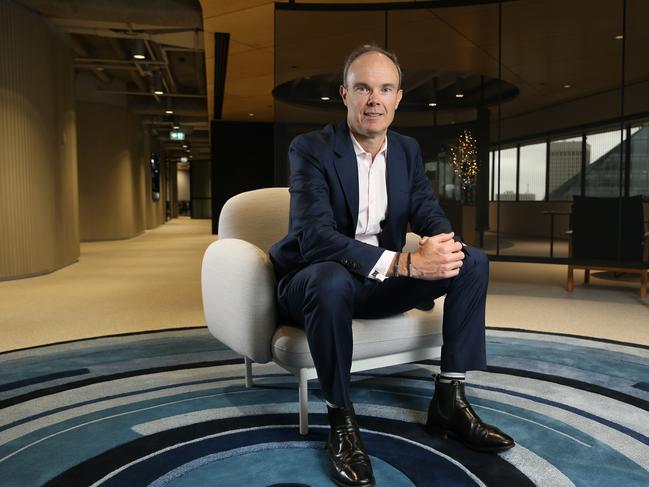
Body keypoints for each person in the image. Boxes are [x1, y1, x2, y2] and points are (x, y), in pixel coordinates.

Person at [269, 44, 514, 487]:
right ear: (344, 94)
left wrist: (441, 244)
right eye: (362, 87)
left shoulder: (406, 150)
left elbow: (425, 206)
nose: (373, 99)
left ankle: (449, 401)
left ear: (399, 98)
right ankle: (341, 421)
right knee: (329, 279)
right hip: (313, 283)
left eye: (384, 89)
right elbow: (315, 238)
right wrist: (404, 263)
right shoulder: (311, 149)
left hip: (375, 283)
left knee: (471, 260)